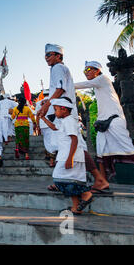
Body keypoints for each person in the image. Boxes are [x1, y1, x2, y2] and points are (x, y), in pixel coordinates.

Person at [37, 44, 109, 193]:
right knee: (65, 146)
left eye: (49, 55)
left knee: (78, 148)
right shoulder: (59, 69)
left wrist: (46, 105)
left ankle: (99, 179)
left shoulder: (58, 68)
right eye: (45, 55)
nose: (46, 58)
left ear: (58, 56)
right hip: (63, 112)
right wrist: (48, 101)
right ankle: (64, 180)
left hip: (64, 113)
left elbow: (60, 88)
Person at [75, 61, 134, 193]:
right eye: (85, 70)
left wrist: (63, 86)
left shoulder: (103, 79)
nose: (86, 72)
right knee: (101, 152)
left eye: (89, 69)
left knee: (130, 151)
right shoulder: (97, 84)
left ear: (97, 70)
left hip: (114, 122)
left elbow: (83, 85)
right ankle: (102, 182)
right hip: (103, 124)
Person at [40, 98, 94, 215]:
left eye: (56, 109)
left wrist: (70, 158)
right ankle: (76, 207)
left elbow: (74, 139)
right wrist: (42, 118)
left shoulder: (69, 121)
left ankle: (86, 194)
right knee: (71, 182)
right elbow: (54, 127)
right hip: (66, 155)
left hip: (71, 156)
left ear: (64, 109)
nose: (55, 112)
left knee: (60, 179)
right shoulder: (64, 121)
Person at [35, 90, 58, 167]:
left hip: (44, 124)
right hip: (55, 123)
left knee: (47, 141)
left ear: (43, 94)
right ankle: (53, 159)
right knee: (54, 141)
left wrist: (37, 125)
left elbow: (37, 115)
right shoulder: (55, 100)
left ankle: (51, 159)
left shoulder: (38, 103)